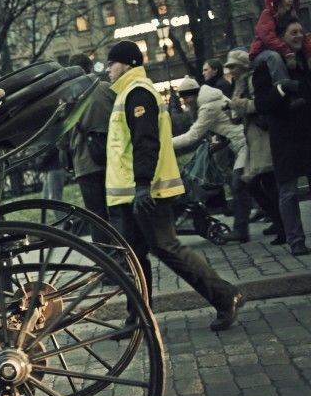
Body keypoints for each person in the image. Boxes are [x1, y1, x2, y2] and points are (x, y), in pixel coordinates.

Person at [104, 40, 243, 332]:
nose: (107, 69)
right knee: (134, 257)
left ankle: (225, 295)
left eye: (111, 63)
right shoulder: (128, 93)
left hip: (146, 192)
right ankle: (138, 318)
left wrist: (142, 185)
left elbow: (146, 142)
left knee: (166, 247)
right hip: (133, 193)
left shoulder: (137, 92)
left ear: (127, 64)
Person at [251, 19, 311, 256]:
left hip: (307, 132)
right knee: (288, 191)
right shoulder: (267, 66)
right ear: (281, 36)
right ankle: (296, 241)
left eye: (301, 31)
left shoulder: (305, 60)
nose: (298, 36)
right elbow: (261, 103)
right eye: (292, 32)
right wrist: (284, 88)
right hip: (284, 136)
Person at [172, 84, 250, 242]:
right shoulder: (211, 99)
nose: (185, 101)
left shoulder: (208, 106)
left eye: (186, 97)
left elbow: (192, 136)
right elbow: (226, 124)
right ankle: (277, 221)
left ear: (194, 95)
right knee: (252, 185)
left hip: (244, 144)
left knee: (238, 185)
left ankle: (241, 230)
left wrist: (163, 144)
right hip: (241, 143)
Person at [225, 49, 285, 245]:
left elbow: (260, 104)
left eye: (233, 66)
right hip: (252, 139)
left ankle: (282, 226)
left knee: (266, 183)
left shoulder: (251, 80)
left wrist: (239, 105)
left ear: (242, 65)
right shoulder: (238, 83)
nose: (230, 70)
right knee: (257, 184)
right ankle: (279, 222)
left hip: (263, 137)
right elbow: (237, 114)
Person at [67, 53, 115, 235]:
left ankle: (105, 256)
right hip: (113, 158)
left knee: (96, 216)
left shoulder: (68, 96)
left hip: (85, 163)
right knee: (118, 211)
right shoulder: (107, 89)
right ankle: (128, 255)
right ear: (90, 67)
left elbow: (62, 139)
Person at [249, 0, 311, 88]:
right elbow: (268, 37)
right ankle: (285, 88)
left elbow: (303, 37)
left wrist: (309, 53)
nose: (291, 1)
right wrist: (287, 52)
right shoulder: (267, 15)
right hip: (262, 53)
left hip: (281, 49)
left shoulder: (291, 16)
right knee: (274, 57)